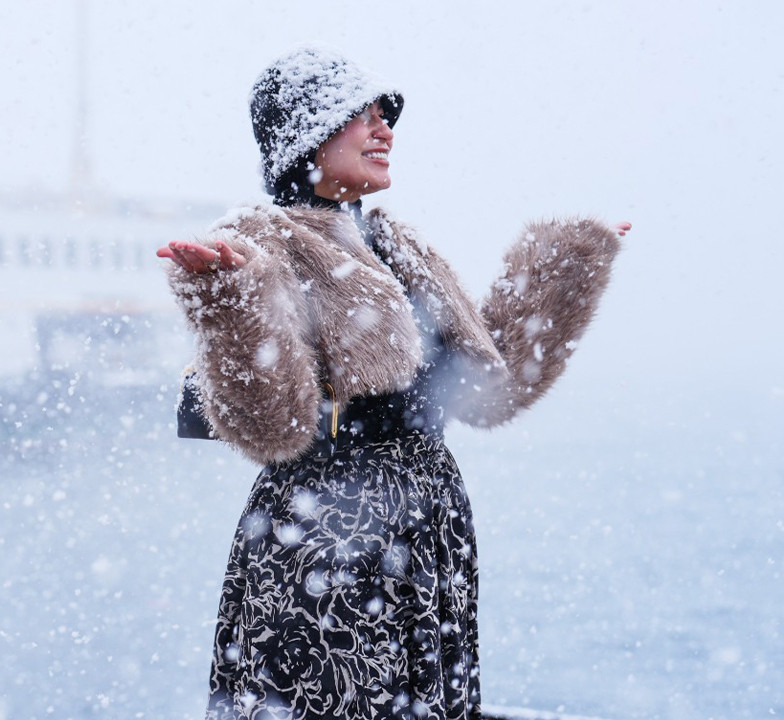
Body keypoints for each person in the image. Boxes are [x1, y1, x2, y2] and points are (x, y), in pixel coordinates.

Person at [157, 46, 629, 720]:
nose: (385, 131)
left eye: (388, 115)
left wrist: (563, 270)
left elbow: (487, 389)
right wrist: (229, 300)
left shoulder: (394, 241)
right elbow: (269, 422)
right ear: (307, 132)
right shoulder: (258, 240)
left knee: (424, 698)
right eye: (362, 115)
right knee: (329, 695)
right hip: (324, 526)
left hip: (426, 521)